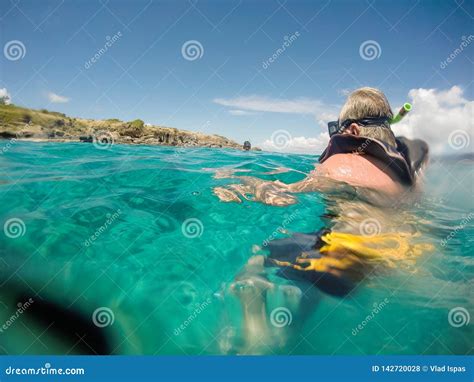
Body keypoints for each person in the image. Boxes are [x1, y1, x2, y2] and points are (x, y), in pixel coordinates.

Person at [214, 87, 431, 353]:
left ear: (351, 131)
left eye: (337, 130)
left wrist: (242, 183)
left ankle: (256, 340)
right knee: (315, 263)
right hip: (408, 252)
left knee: (256, 257)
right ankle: (291, 331)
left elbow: (285, 196)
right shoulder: (409, 181)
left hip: (350, 250)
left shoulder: (342, 164)